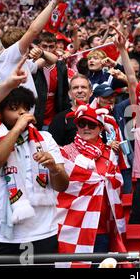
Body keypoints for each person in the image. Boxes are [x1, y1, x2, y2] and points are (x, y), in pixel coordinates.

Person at [0, 86, 69, 255]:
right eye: (14, 109)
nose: (23, 113)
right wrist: (17, 129)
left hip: (42, 234)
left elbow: (62, 185)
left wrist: (54, 168)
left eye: (26, 108)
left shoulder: (44, 138)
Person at [56, 101, 127, 262]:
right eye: (82, 124)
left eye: (92, 125)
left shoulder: (110, 154)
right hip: (71, 225)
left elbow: (117, 186)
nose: (86, 128)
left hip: (101, 228)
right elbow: (61, 188)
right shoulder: (65, 152)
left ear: (101, 128)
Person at [48, 74, 93, 146]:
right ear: (69, 93)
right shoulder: (60, 118)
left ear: (91, 92)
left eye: (83, 87)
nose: (80, 91)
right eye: (75, 88)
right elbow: (53, 147)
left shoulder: (99, 115)